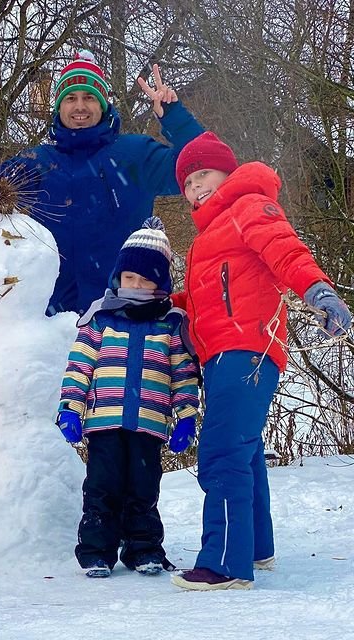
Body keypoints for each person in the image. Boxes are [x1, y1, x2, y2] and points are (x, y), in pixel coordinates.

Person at [169, 131, 353, 591]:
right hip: (221, 355)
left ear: (227, 172)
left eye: (204, 174)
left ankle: (226, 563)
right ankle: (254, 546)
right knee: (245, 452)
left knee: (222, 451)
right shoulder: (205, 240)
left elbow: (285, 250)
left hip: (247, 348)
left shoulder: (248, 206)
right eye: (188, 183)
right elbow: (202, 300)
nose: (196, 187)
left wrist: (318, 291)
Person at [0, 51, 204, 315]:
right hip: (53, 321)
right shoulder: (39, 162)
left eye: (89, 97)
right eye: (70, 98)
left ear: (103, 105)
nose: (80, 106)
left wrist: (174, 117)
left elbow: (200, 167)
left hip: (123, 316)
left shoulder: (135, 154)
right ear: (59, 108)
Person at [56, 217, 200, 578]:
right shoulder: (100, 318)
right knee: (102, 487)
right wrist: (70, 409)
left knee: (143, 488)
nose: (135, 286)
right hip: (104, 422)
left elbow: (183, 374)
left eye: (145, 279)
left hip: (149, 424)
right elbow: (79, 368)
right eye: (129, 278)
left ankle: (143, 548)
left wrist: (185, 415)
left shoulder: (169, 323)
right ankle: (97, 550)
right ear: (118, 277)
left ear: (160, 283)